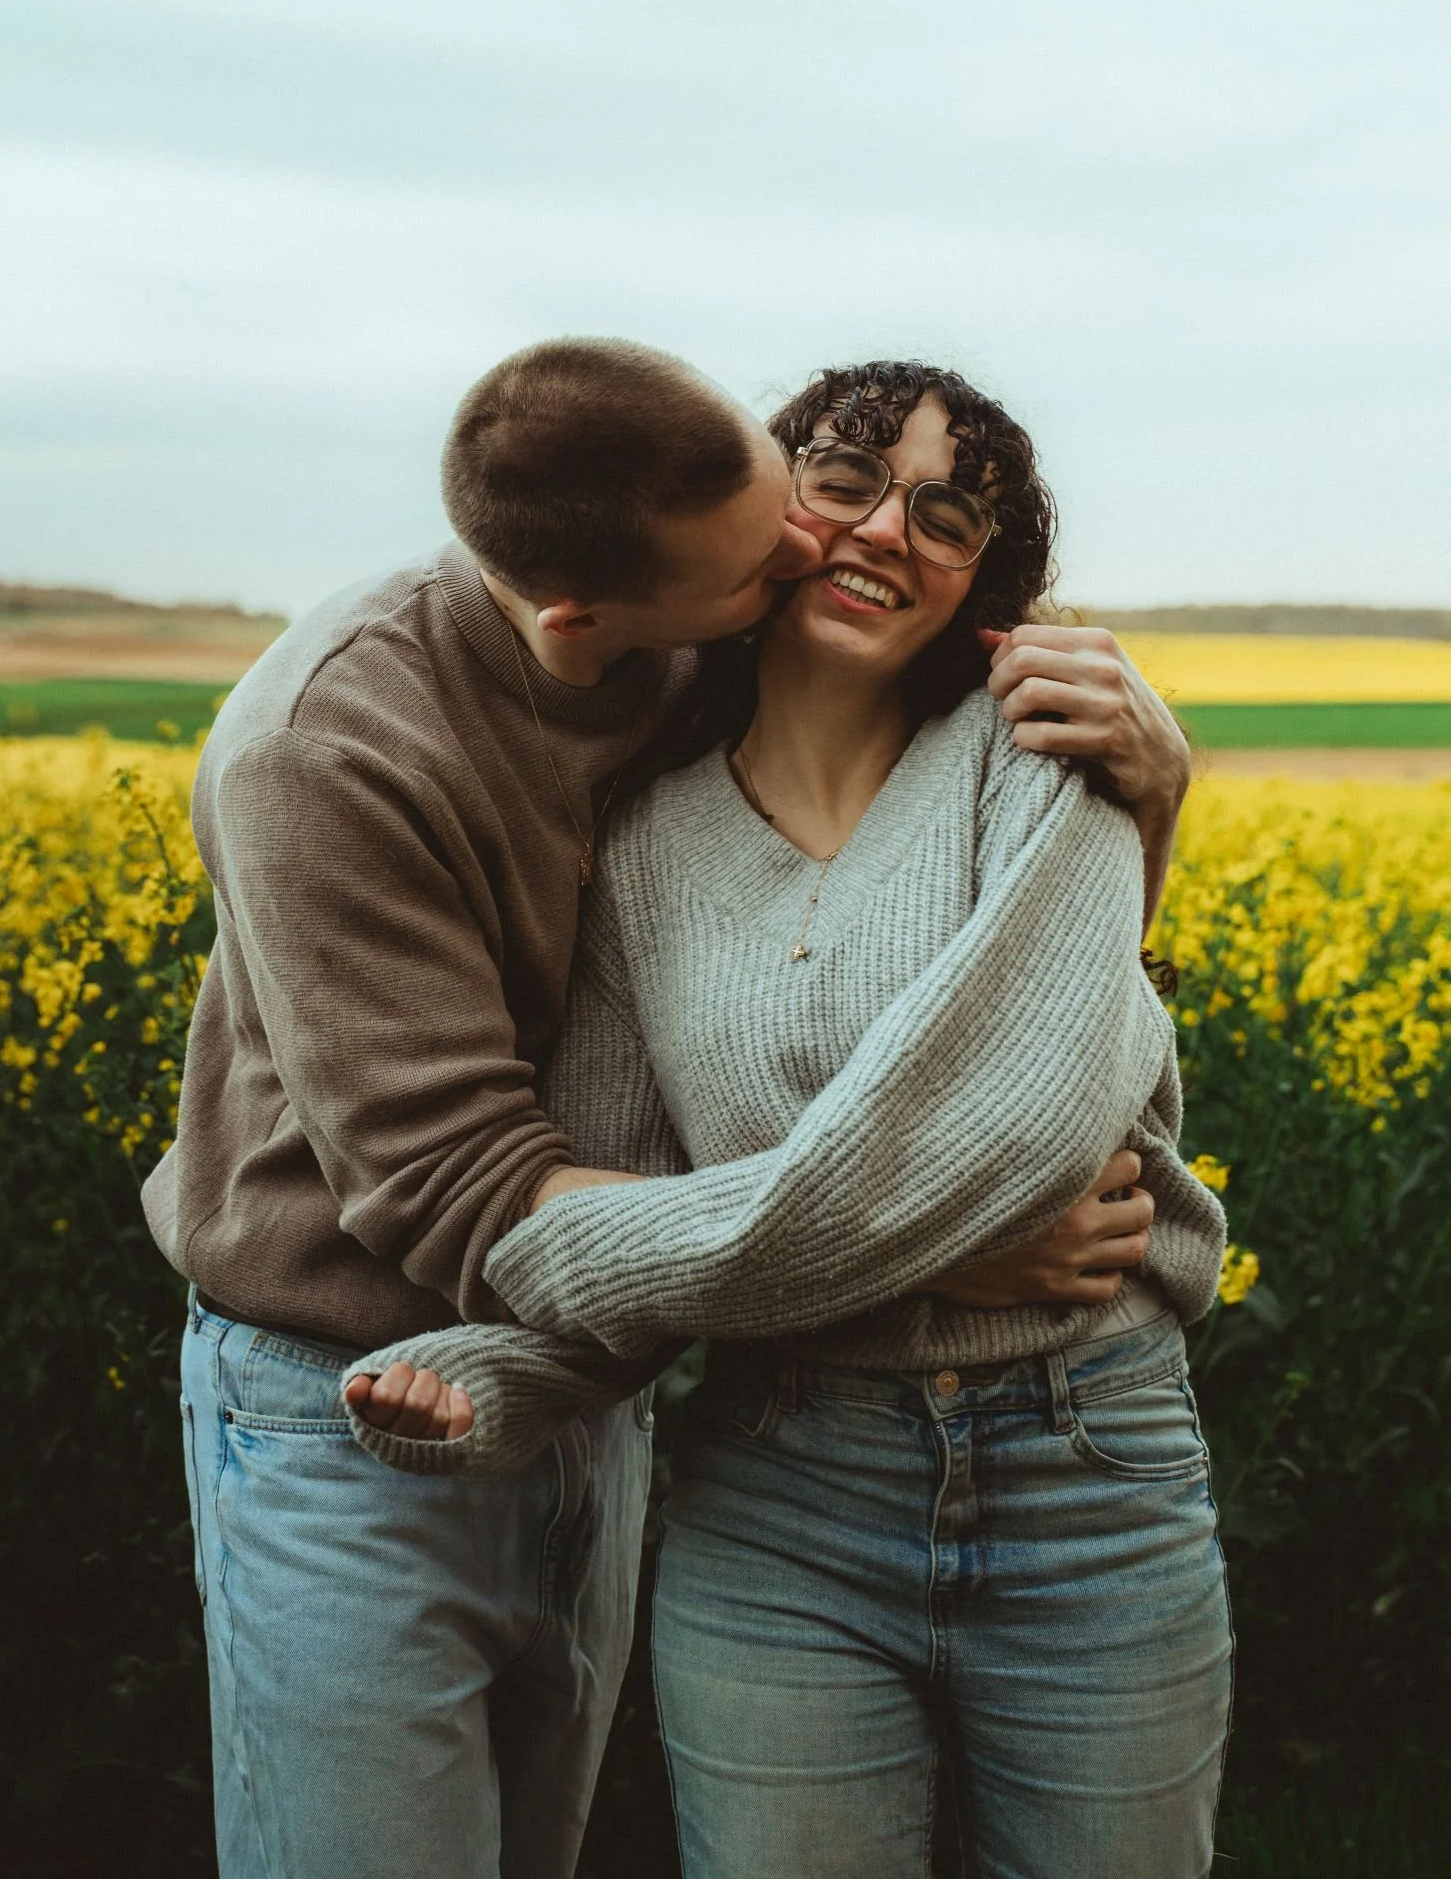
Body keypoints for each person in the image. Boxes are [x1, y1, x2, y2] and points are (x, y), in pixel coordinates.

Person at [147, 338, 1191, 1878]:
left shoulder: (723, 644)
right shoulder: (330, 747)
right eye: (806, 513)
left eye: (813, 509)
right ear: (594, 617)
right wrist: (923, 1250)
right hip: (345, 1390)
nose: (820, 549)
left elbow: (1017, 1030)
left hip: (607, 1371)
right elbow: (475, 1190)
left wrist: (1155, 788)